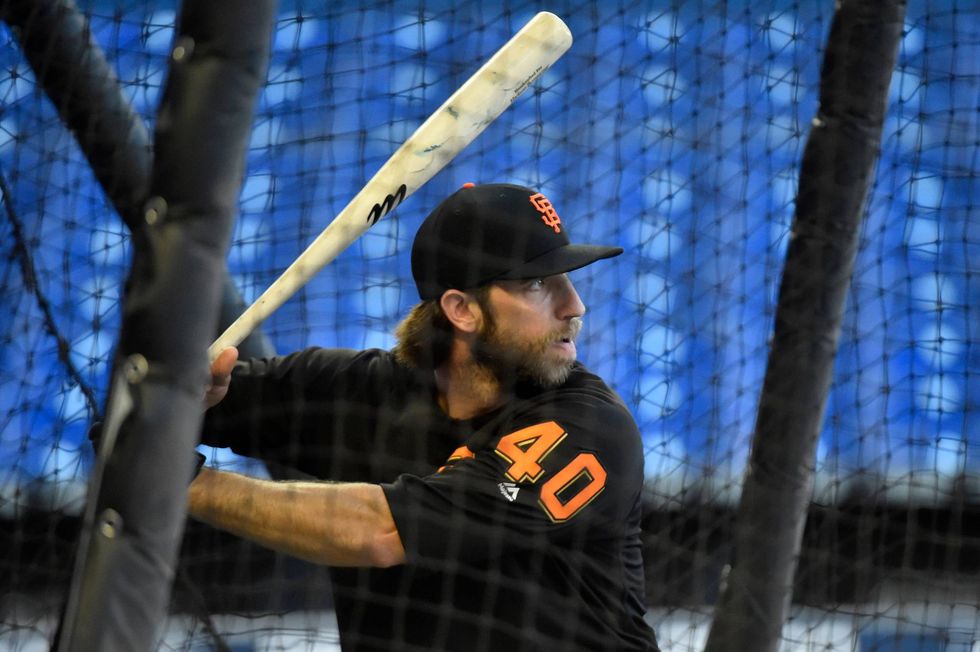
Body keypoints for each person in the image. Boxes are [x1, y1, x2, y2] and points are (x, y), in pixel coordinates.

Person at [193, 182, 660, 651]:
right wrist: (189, 397)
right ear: (461, 309)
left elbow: (379, 531)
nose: (574, 305)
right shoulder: (361, 392)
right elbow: (187, 401)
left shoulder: (587, 427)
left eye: (568, 277)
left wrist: (181, 485)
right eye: (538, 283)